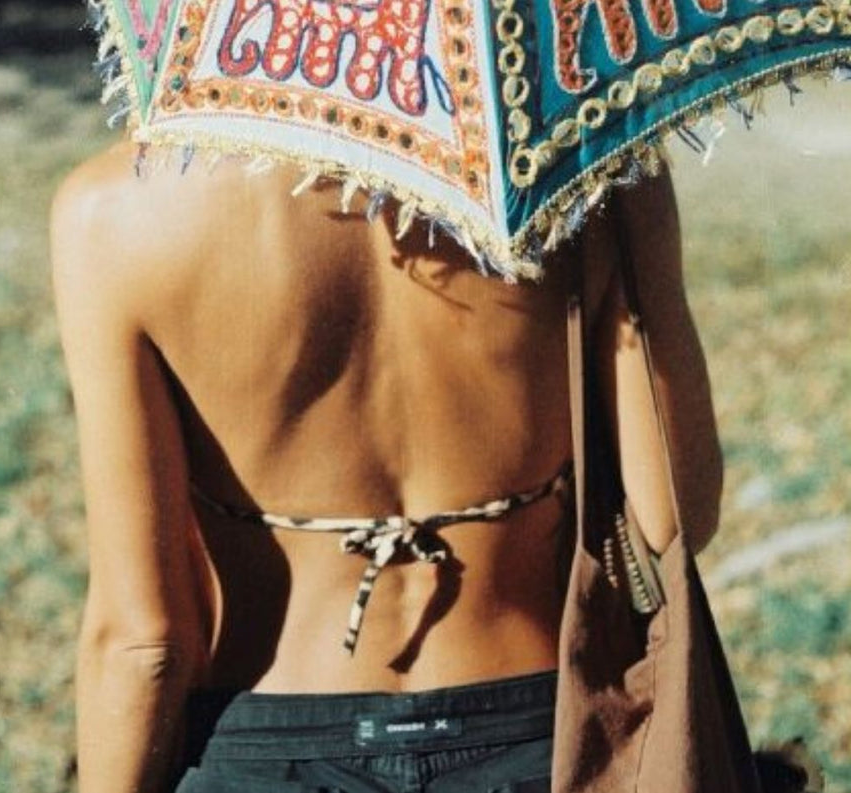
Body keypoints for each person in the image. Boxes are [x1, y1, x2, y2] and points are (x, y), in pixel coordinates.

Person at [51, 144, 722, 793]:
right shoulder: (582, 172)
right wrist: (635, 215)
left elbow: (143, 643)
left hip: (266, 736)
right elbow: (674, 518)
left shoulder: (115, 211)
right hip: (542, 735)